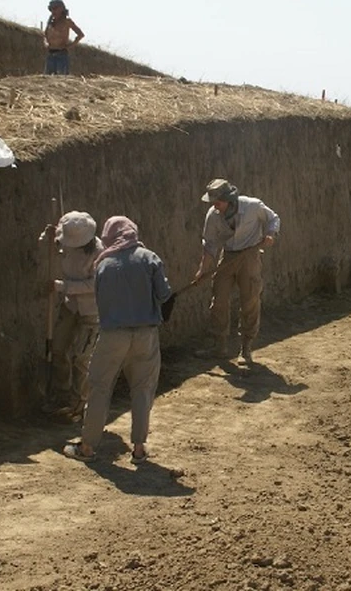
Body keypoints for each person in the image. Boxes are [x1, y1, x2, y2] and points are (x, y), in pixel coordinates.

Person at [63, 216, 172, 463]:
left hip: (112, 335)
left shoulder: (103, 265)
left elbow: (102, 303)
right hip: (146, 335)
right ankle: (139, 449)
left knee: (99, 388)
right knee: (143, 390)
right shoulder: (150, 258)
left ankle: (88, 447)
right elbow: (164, 294)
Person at [194, 179, 280, 363]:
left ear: (229, 199)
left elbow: (273, 218)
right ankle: (219, 345)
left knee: (250, 299)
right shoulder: (213, 215)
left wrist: (270, 234)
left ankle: (246, 347)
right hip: (228, 256)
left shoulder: (252, 206)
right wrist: (203, 269)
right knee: (219, 300)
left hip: (250, 255)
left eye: (218, 202)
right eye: (213, 202)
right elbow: (209, 244)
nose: (215, 206)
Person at [39, 211, 103, 418]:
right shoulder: (65, 239)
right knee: (58, 348)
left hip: (90, 310)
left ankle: (78, 404)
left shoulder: (99, 253)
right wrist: (47, 237)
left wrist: (62, 286)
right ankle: (61, 395)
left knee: (81, 358)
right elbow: (52, 246)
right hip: (70, 306)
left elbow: (94, 285)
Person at [44, 0, 84, 75]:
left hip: (61, 55)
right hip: (50, 55)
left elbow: (80, 34)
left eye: (55, 8)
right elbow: (45, 34)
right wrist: (46, 42)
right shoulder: (50, 21)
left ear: (61, 8)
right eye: (51, 9)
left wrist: (70, 45)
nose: (53, 11)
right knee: (47, 80)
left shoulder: (67, 21)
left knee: (61, 80)